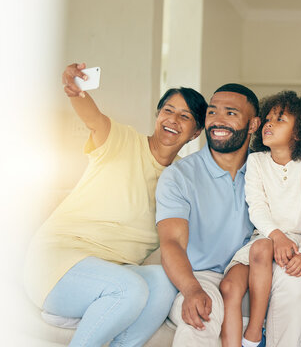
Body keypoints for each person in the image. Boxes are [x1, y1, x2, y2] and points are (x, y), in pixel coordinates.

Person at [24, 62, 208, 346]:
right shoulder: (121, 140)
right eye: (168, 111)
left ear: (195, 132)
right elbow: (94, 118)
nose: (173, 119)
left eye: (185, 116)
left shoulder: (183, 180)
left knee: (164, 279)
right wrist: (77, 93)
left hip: (111, 273)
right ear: (158, 115)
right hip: (58, 262)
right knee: (129, 289)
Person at [155, 84, 301, 347]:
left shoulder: (267, 165)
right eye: (212, 112)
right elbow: (171, 243)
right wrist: (192, 288)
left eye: (230, 113)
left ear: (253, 125)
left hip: (259, 270)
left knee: (294, 283)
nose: (218, 120)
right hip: (201, 276)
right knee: (201, 317)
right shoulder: (180, 175)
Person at [219, 91, 301, 347]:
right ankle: (253, 334)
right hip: (264, 239)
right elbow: (257, 208)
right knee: (246, 268)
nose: (269, 124)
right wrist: (276, 236)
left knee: (295, 286)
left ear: (298, 133)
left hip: (299, 244)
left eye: (280, 119)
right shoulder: (256, 162)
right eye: (268, 119)